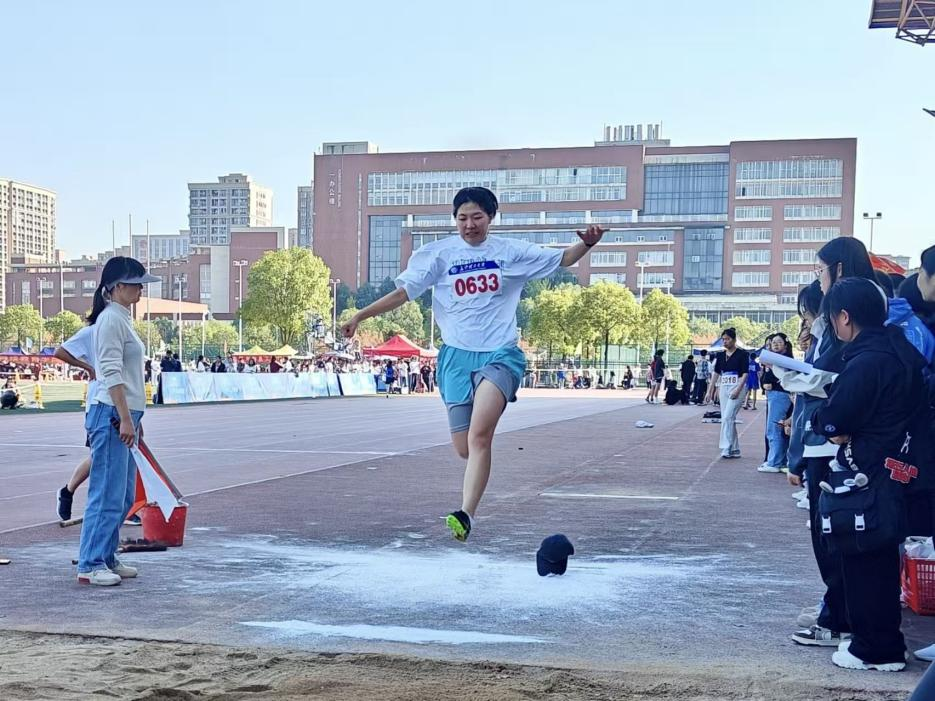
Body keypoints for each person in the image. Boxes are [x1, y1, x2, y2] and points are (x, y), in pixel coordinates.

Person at [343, 186, 604, 542]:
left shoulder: (510, 252)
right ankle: (472, 484)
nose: (469, 225)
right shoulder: (438, 254)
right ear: (454, 220)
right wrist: (360, 315)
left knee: (480, 435)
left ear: (491, 218)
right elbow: (403, 293)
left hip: (500, 354)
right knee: (465, 447)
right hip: (455, 358)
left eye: (477, 217)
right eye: (462, 218)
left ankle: (465, 514)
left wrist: (587, 244)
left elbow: (563, 258)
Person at [811, 277, 925, 671]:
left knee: (863, 557)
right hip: (898, 466)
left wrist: (825, 422)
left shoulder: (866, 360)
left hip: (869, 471)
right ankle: (883, 642)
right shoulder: (901, 350)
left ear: (844, 317)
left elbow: (835, 418)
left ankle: (874, 648)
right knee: (879, 558)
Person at [77, 256, 159, 586]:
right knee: (106, 494)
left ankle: (106, 556)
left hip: (122, 414)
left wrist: (133, 418)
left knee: (123, 496)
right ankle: (90, 563)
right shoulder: (111, 320)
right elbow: (111, 372)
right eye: (137, 284)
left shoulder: (120, 318)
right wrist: (125, 417)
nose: (141, 289)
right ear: (118, 287)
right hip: (111, 413)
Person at [706, 328, 748, 459]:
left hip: (737, 385)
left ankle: (726, 446)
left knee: (727, 417)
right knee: (727, 418)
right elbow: (716, 373)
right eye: (723, 339)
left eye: (728, 339)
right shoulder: (720, 355)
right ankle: (735, 449)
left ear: (734, 340)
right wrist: (710, 390)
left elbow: (745, 373)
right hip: (724, 386)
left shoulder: (742, 354)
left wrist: (738, 389)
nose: (725, 341)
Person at [757, 334, 793, 474]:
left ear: (786, 345)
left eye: (779, 342)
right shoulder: (772, 359)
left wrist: (770, 368)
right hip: (774, 396)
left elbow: (784, 379)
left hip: (780, 395)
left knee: (774, 428)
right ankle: (779, 460)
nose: (776, 345)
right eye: (773, 343)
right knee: (776, 428)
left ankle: (774, 462)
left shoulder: (785, 361)